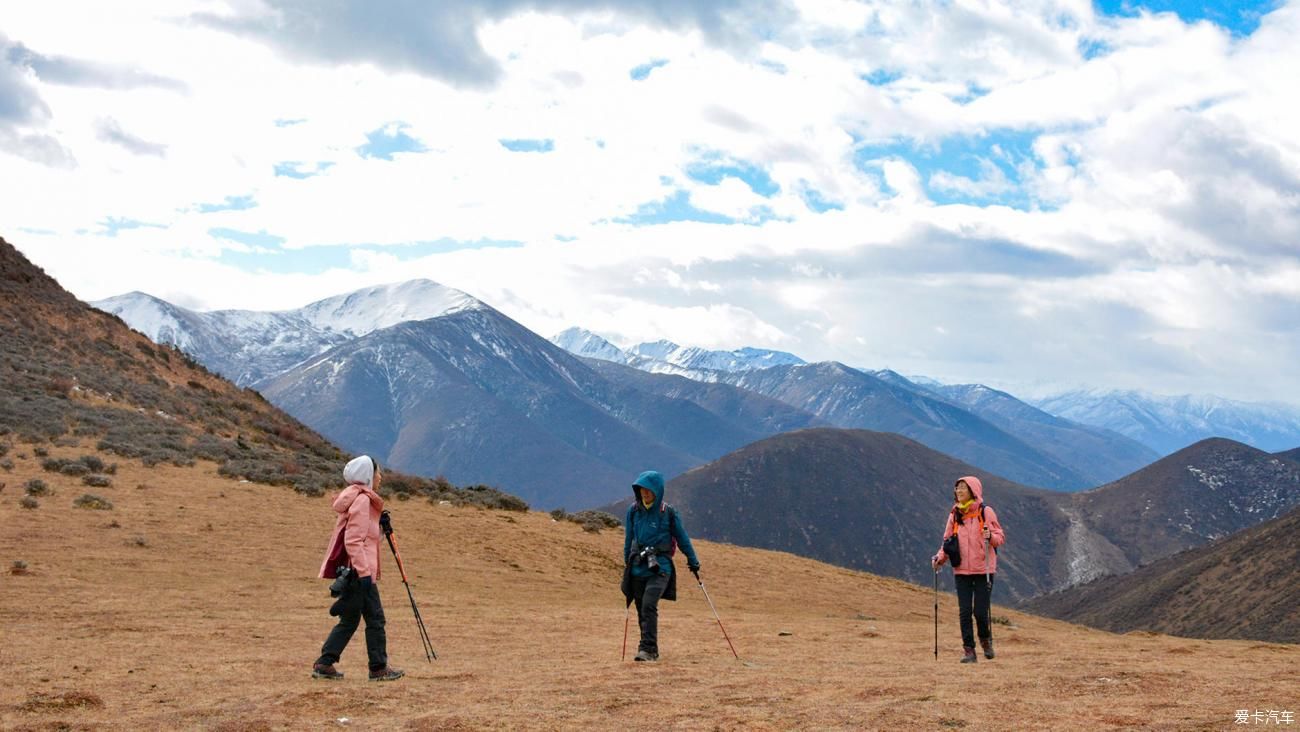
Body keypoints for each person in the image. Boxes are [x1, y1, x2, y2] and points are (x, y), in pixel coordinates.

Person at [312, 455, 404, 681]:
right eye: (377, 473)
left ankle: (325, 663)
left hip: (354, 570)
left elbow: (366, 539)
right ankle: (378, 668)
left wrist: (381, 529)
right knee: (375, 619)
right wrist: (364, 574)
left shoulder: (357, 499)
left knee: (350, 619)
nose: (380, 477)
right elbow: (353, 541)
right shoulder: (363, 501)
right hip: (360, 573)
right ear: (368, 476)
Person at [620, 470, 700, 662]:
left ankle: (647, 649)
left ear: (657, 491)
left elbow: (682, 538)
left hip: (660, 567)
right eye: (641, 490)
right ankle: (647, 648)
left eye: (648, 490)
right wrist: (627, 562)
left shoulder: (669, 513)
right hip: (638, 565)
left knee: (648, 604)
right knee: (640, 607)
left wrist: (693, 560)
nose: (644, 494)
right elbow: (629, 538)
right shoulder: (633, 511)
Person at [931, 475, 1005, 663]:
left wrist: (991, 537)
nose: (959, 491)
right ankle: (969, 651)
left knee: (980, 612)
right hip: (961, 570)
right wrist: (940, 558)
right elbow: (948, 541)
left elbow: (999, 537)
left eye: (963, 487)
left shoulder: (985, 512)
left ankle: (985, 640)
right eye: (957, 488)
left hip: (984, 569)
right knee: (964, 612)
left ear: (973, 490)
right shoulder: (955, 514)